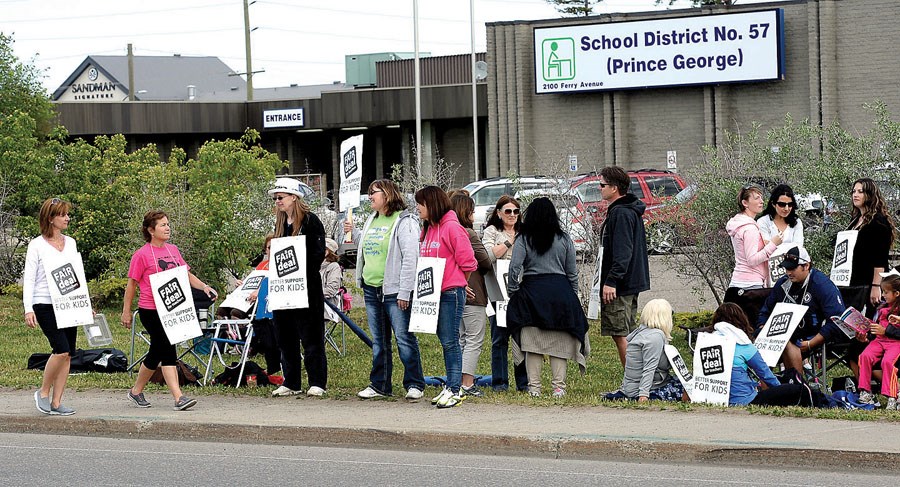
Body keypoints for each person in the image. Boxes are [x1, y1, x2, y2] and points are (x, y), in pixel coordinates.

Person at [121, 210, 217, 411]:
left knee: (156, 352)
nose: (167, 228)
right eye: (163, 225)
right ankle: (178, 397)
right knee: (167, 348)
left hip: (172, 309)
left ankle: (136, 391)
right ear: (151, 230)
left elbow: (186, 274)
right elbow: (131, 284)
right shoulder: (142, 255)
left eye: (168, 224)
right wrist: (126, 311)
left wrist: (205, 287)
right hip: (150, 309)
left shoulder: (173, 250)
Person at [507, 197, 589, 397]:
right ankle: (558, 387)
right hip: (560, 292)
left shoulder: (523, 238)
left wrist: (513, 290)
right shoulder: (564, 239)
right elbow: (572, 273)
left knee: (532, 343)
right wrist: (572, 295)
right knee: (559, 343)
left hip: (531, 293)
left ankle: (534, 388)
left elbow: (514, 267)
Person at [352, 179, 425, 401]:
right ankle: (380, 383)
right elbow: (368, 247)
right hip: (371, 289)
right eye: (369, 192)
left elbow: (410, 257)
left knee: (403, 338)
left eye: (373, 192)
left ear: (387, 194)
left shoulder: (404, 221)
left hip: (394, 291)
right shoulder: (371, 219)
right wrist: (353, 232)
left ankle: (414, 383)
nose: (370, 197)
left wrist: (405, 291)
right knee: (379, 341)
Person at [415, 186, 477, 408]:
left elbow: (469, 262)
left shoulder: (452, 228)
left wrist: (459, 281)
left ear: (432, 204)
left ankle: (455, 388)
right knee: (445, 340)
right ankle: (451, 384)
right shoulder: (429, 229)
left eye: (421, 204)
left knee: (451, 341)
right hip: (432, 293)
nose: (418, 208)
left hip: (451, 292)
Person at [267, 177, 328, 397]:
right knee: (285, 336)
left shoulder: (311, 221)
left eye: (280, 197)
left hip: (306, 287)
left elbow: (317, 254)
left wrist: (299, 272)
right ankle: (291, 381)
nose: (277, 201)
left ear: (294, 197)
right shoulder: (281, 225)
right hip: (284, 289)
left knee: (311, 336)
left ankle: (317, 381)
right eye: (275, 198)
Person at [24, 198, 80, 416]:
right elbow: (29, 279)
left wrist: (83, 304)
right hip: (44, 303)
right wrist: (28, 308)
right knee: (61, 349)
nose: (67, 218)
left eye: (68, 214)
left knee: (68, 355)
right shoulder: (36, 245)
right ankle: (43, 393)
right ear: (50, 218)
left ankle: (57, 402)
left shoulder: (71, 243)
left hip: (68, 304)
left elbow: (76, 276)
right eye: (62, 214)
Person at [756, 245, 846, 372]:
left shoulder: (822, 285)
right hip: (779, 332)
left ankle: (797, 387)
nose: (788, 273)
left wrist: (811, 343)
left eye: (792, 268)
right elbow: (765, 311)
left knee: (788, 342)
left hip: (811, 335)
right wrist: (762, 331)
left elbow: (837, 320)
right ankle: (765, 388)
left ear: (806, 266)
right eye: (786, 268)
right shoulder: (782, 284)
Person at [711, 303, 813, 407]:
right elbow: (766, 375)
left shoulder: (707, 343)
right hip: (744, 400)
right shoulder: (742, 344)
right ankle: (825, 402)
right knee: (798, 388)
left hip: (715, 400)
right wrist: (781, 390)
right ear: (740, 320)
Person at [598, 166, 650, 367]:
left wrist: (611, 281)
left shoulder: (621, 213)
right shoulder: (628, 209)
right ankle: (637, 377)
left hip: (621, 284)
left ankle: (633, 379)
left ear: (614, 188)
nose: (599, 188)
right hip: (630, 281)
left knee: (620, 334)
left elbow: (623, 252)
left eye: (602, 185)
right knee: (627, 332)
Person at [482, 195, 528, 392]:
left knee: (521, 338)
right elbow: (488, 255)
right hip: (497, 290)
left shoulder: (525, 232)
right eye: (508, 211)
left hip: (519, 290)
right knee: (499, 338)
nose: (512, 215)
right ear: (499, 213)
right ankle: (500, 383)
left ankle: (524, 383)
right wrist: (509, 243)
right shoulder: (491, 231)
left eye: (516, 211)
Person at [450, 192, 493, 397]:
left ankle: (456, 380)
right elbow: (484, 260)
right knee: (473, 338)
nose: (474, 215)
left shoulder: (446, 231)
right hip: (472, 290)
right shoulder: (468, 233)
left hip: (452, 291)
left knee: (459, 338)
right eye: (472, 211)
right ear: (466, 212)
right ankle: (467, 382)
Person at [724, 184, 783, 323]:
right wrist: (774, 244)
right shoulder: (749, 228)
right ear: (745, 203)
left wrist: (765, 243)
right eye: (756, 198)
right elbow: (751, 259)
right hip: (750, 285)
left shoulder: (740, 224)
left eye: (761, 198)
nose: (761, 201)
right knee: (754, 327)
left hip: (738, 283)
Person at [606, 299, 684, 402]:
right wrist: (643, 396)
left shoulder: (642, 332)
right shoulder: (655, 337)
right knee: (691, 389)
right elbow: (649, 368)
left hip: (633, 388)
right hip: (646, 390)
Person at [847, 178, 894, 312]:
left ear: (870, 194)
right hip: (854, 281)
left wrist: (876, 286)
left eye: (860, 192)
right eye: (854, 191)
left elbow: (880, 258)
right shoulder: (855, 220)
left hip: (868, 283)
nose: (855, 195)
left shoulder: (878, 221)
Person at [857, 275, 900, 410]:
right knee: (865, 356)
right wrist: (866, 336)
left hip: (895, 343)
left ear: (897, 293)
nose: (883, 295)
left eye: (886, 292)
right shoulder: (881, 308)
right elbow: (876, 327)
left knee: (887, 362)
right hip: (879, 341)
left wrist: (886, 330)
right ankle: (865, 391)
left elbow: (889, 331)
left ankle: (892, 396)